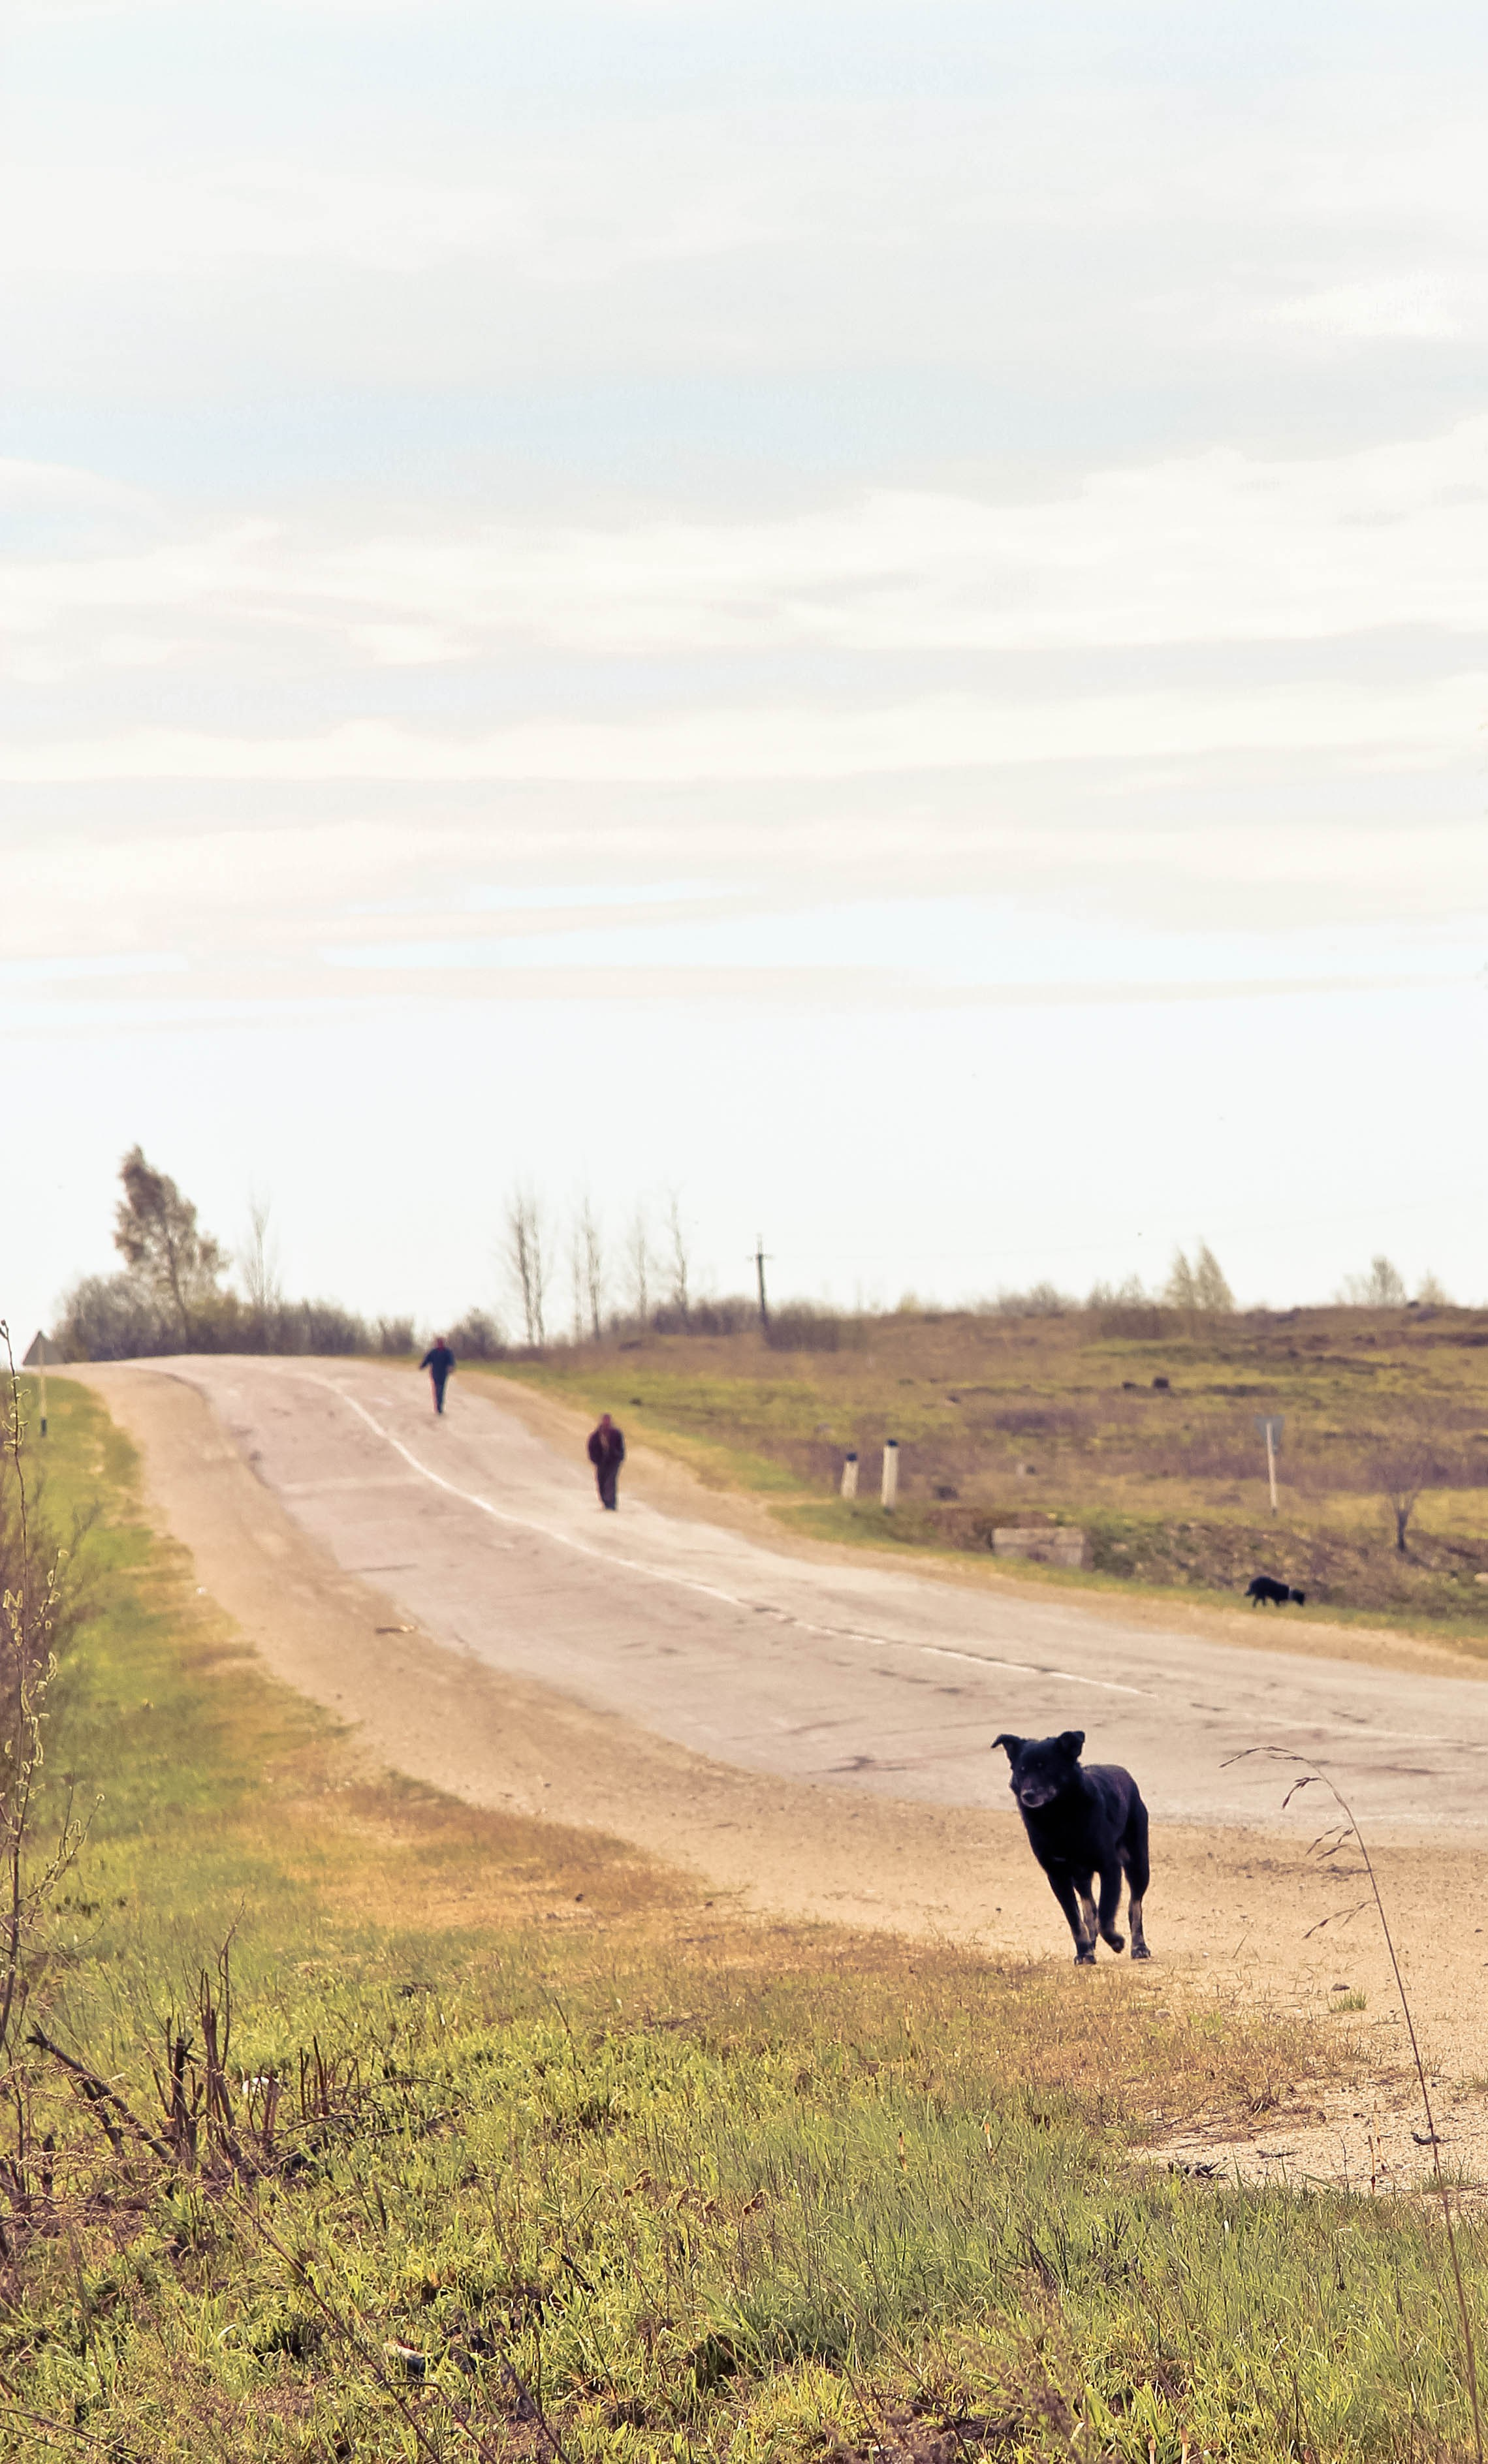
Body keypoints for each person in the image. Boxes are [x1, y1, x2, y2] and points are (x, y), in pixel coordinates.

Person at [587, 1411, 625, 1510]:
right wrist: (595, 1459)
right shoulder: (596, 1436)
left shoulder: (616, 1434)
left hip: (614, 1461)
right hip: (601, 1462)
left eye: (608, 1421)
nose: (606, 1423)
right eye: (605, 1421)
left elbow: (621, 1447)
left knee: (610, 1481)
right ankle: (605, 1501)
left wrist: (619, 1456)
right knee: (601, 1480)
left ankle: (611, 1504)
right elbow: (591, 1448)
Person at [419, 1334, 456, 1414]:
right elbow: (427, 1360)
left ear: (443, 1343)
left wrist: (451, 1367)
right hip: (435, 1374)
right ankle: (438, 1405)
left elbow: (451, 1361)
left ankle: (440, 1406)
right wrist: (422, 1366)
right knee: (436, 1390)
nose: (440, 1344)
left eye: (441, 1342)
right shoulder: (433, 1352)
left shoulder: (447, 1352)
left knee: (441, 1390)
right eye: (438, 1342)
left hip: (443, 1374)